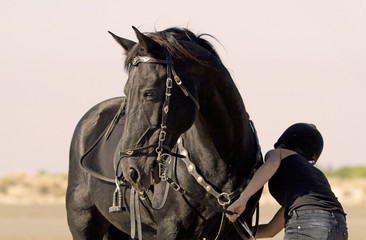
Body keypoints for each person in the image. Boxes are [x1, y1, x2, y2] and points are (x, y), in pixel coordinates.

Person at [226, 123, 348, 239]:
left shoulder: (279, 153)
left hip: (307, 222)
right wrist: (235, 234)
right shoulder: (314, 180)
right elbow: (270, 231)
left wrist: (243, 199)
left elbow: (272, 164)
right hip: (339, 225)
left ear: (284, 143)